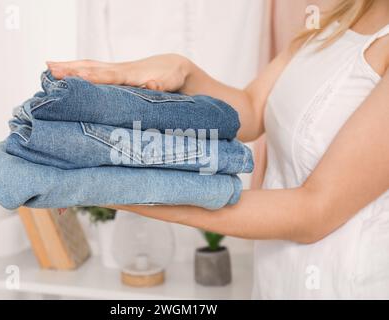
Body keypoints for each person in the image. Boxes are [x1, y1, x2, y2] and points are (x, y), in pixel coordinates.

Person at [48, 0, 389, 298]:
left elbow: (314, 211)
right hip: (277, 282)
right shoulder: (337, 16)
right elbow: (253, 110)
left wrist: (110, 187)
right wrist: (182, 70)